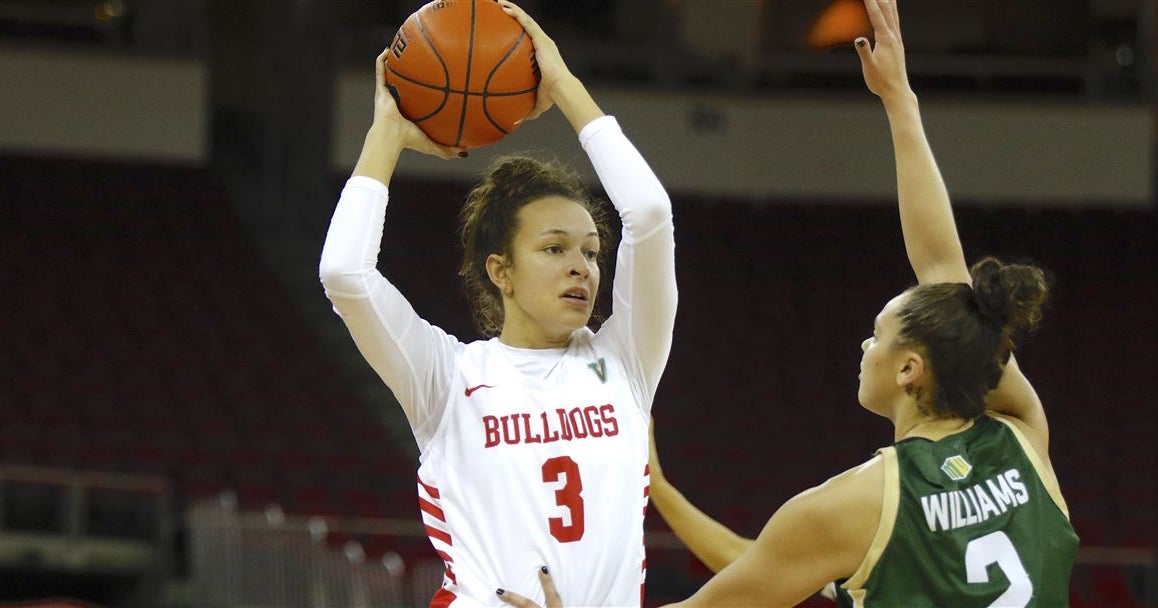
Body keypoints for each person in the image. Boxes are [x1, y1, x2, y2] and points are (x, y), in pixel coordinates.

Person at [495, 0, 1078, 606]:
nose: (865, 344)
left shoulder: (853, 506)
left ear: (909, 369)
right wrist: (900, 100)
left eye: (878, 336)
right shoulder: (1023, 441)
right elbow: (944, 273)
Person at [318, 0, 676, 605]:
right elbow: (344, 274)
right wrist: (388, 135)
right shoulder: (448, 378)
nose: (580, 267)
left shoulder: (627, 361)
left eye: (591, 252)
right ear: (500, 271)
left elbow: (649, 214)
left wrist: (563, 85)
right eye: (554, 248)